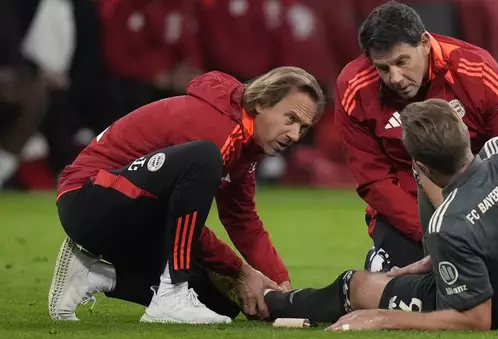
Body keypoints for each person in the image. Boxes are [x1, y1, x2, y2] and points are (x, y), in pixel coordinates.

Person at [335, 1, 498, 272]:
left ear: (425, 43)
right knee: (423, 285)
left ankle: (488, 263)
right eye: (383, 68)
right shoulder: (354, 88)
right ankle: (402, 259)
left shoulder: (477, 70)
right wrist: (442, 233)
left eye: (402, 62)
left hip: (483, 193)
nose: (395, 78)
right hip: (411, 203)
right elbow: (375, 181)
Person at [49, 66, 325, 324]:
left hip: (131, 215)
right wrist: (242, 270)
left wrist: (281, 288)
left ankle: (92, 276)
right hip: (87, 200)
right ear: (262, 103)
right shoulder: (217, 128)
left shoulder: (245, 144)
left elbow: (243, 221)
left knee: (223, 300)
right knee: (204, 157)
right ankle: (172, 293)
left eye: (303, 127)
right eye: (290, 119)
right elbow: (177, 214)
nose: (295, 135)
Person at [265, 98, 498, 331]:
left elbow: (476, 320)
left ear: (424, 167)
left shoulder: (448, 224)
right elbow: (492, 221)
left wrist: (384, 318)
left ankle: (271, 302)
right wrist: (434, 259)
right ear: (464, 136)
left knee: (355, 286)